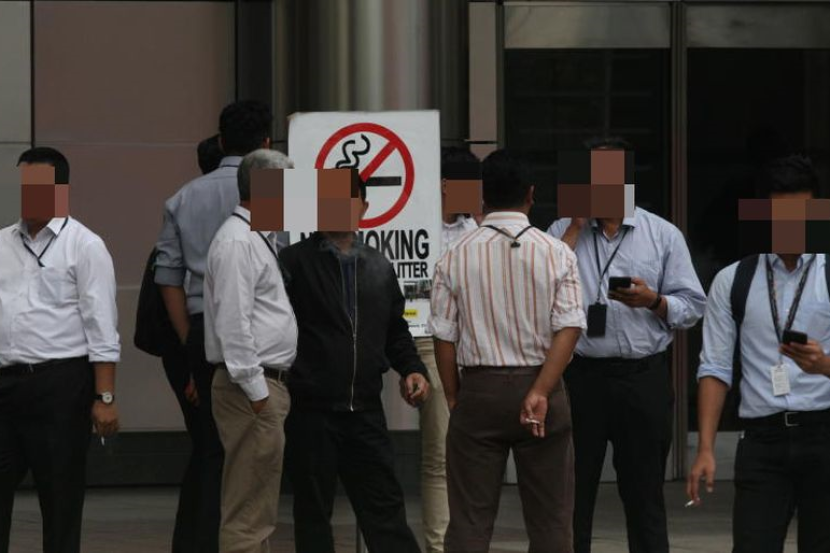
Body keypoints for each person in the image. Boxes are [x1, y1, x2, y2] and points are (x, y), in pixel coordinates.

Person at [548, 138, 706, 553]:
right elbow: (540, 290)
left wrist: (654, 301)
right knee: (572, 493)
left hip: (642, 377)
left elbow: (693, 306)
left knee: (644, 494)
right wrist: (576, 227)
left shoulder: (662, 234)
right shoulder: (561, 231)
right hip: (581, 376)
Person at [429, 149, 587, 553]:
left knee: (469, 522)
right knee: (551, 521)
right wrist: (541, 390)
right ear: (531, 194)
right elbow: (569, 326)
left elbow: (443, 337)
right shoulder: (557, 253)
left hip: (479, 390)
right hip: (542, 384)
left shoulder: (454, 256)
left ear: (482, 195)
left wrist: (454, 396)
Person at [280, 176, 431, 553]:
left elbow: (396, 329)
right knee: (313, 513)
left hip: (365, 410)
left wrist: (413, 368)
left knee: (385, 509)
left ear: (363, 207)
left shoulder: (378, 264)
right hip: (311, 410)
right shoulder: (294, 262)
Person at [688, 155, 830, 553]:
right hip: (761, 441)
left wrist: (824, 365)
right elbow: (715, 367)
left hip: (824, 433)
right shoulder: (733, 280)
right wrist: (705, 448)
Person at [154, 100, 273, 553]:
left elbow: (168, 277)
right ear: (267, 142)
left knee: (210, 445)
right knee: (260, 443)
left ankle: (199, 543)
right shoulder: (275, 192)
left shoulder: (184, 197)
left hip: (203, 326)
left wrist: (190, 339)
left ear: (221, 141)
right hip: (262, 328)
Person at [0, 147, 120, 553]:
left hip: (60, 386)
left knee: (60, 498)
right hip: (6, 385)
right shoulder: (2, 242)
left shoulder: (85, 245)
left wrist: (105, 397)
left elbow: (101, 325)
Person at [204, 149, 297, 553]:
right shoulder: (238, 242)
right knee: (248, 510)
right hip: (251, 388)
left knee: (258, 505)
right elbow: (233, 323)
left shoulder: (257, 238)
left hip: (260, 386)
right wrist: (258, 393)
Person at [413, 146, 481, 553]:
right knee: (438, 451)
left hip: (467, 341)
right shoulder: (416, 225)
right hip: (425, 334)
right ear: (444, 185)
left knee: (464, 452)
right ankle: (439, 546)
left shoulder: (476, 229)